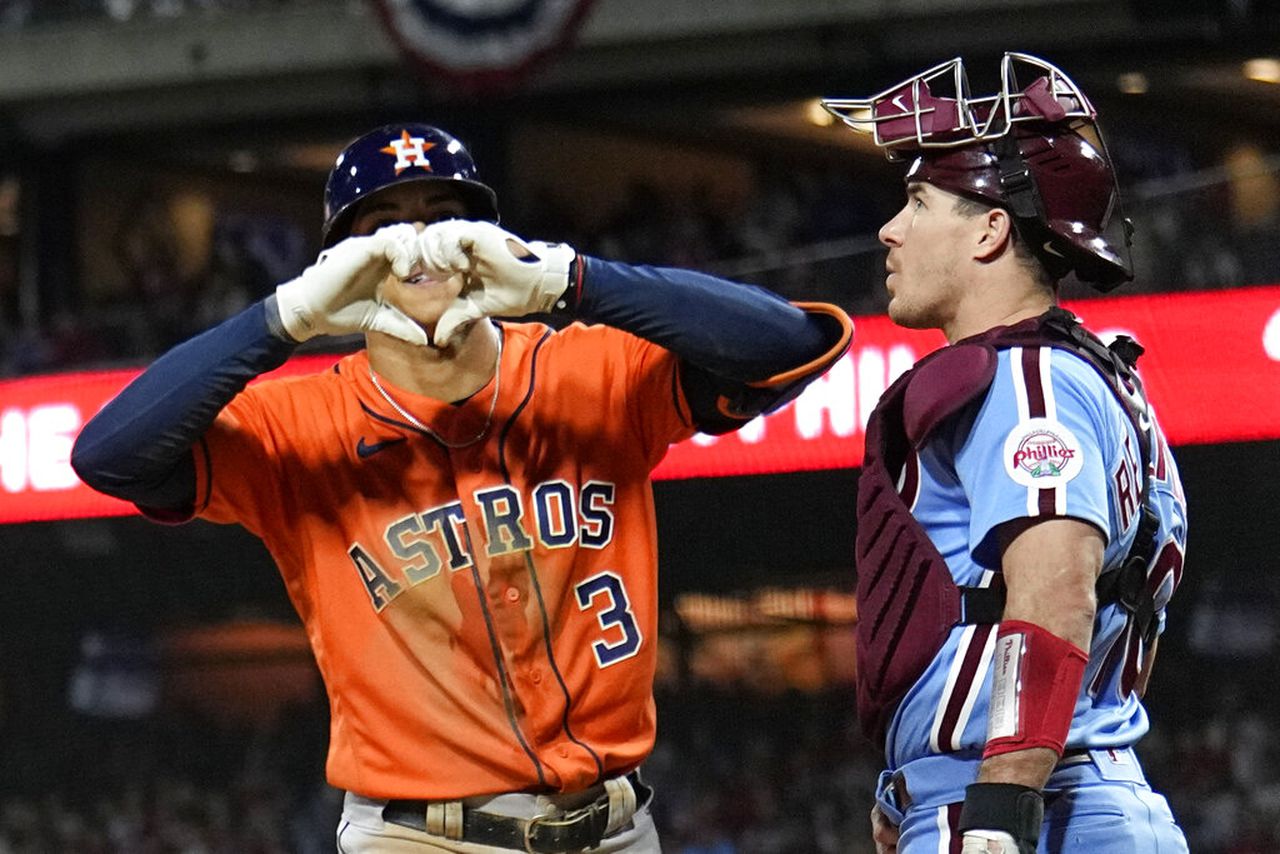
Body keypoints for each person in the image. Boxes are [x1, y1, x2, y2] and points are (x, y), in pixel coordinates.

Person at [70, 123, 852, 853]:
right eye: (382, 228)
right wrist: (284, 317)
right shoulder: (294, 425)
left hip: (618, 826)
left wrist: (572, 280)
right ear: (340, 261)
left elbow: (789, 344)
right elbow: (111, 455)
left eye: (444, 216)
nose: (418, 246)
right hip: (418, 837)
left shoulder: (592, 368)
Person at [820, 54, 1189, 853]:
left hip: (1040, 811)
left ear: (991, 228)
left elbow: (1056, 599)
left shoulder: (1027, 378)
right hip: (1074, 790)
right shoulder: (1091, 373)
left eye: (918, 201)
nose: (891, 228)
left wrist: (997, 810)